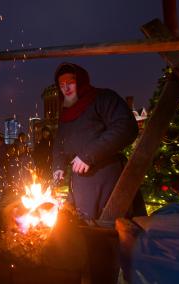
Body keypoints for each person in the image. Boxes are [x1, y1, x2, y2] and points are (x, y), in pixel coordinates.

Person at [52, 62, 140, 220]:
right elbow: (60, 142)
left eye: (70, 82)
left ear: (81, 80)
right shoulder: (66, 112)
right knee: (82, 229)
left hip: (106, 176)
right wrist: (58, 165)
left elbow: (126, 127)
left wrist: (88, 155)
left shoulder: (103, 98)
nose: (66, 88)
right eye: (61, 84)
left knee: (111, 228)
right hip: (79, 181)